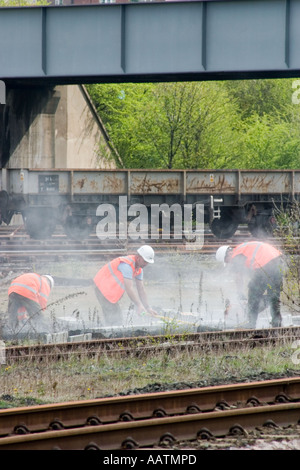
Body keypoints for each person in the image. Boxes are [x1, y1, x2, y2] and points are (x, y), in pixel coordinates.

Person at [216, 241, 284, 329]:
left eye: (227, 261)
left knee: (253, 292)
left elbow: (239, 276)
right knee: (274, 295)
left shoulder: (236, 254)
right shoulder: (242, 248)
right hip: (278, 260)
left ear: (228, 254)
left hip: (265, 263)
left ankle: (251, 323)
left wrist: (240, 292)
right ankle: (277, 323)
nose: (230, 263)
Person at [93, 245, 157, 326]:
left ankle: (112, 334)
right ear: (138, 257)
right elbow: (129, 288)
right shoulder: (126, 265)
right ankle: (110, 336)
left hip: (110, 290)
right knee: (114, 319)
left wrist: (148, 307)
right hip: (102, 287)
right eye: (145, 261)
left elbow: (141, 289)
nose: (146, 264)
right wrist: (139, 305)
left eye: (147, 262)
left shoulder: (139, 269)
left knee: (116, 317)